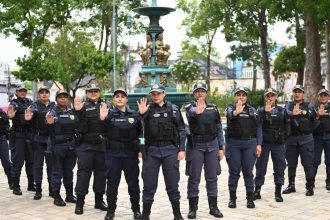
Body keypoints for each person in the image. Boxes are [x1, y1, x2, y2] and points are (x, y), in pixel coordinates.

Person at [137, 84, 186, 220]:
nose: (156, 96)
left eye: (158, 93)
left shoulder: (173, 109)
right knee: (149, 184)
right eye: (153, 94)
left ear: (164, 94)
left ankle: (177, 215)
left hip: (170, 150)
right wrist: (141, 115)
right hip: (152, 151)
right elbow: (138, 130)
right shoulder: (146, 109)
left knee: (172, 184)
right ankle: (145, 215)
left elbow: (182, 130)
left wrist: (182, 149)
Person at [101, 88, 143, 220]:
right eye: (117, 96)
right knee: (112, 184)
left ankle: (136, 210)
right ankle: (111, 210)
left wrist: (141, 149)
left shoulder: (135, 115)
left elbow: (141, 133)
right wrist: (102, 119)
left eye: (122, 96)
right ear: (114, 99)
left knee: (133, 184)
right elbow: (102, 132)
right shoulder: (108, 115)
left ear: (126, 99)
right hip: (113, 154)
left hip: (130, 154)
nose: (120, 98)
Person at [185, 82, 224, 219]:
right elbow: (189, 116)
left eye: (202, 91)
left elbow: (219, 127)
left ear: (206, 93)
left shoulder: (213, 107)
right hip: (196, 146)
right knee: (194, 177)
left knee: (212, 177)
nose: (200, 93)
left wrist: (221, 147)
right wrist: (197, 112)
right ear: (194, 94)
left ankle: (213, 207)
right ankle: (192, 208)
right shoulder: (189, 107)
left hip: (212, 145)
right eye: (197, 91)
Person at [73, 83, 108, 214]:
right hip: (85, 145)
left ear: (99, 92)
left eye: (96, 91)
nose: (93, 93)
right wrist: (77, 110)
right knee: (83, 174)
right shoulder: (81, 106)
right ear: (87, 93)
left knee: (101, 174)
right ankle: (80, 202)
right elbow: (75, 119)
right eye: (91, 91)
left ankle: (99, 201)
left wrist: (104, 118)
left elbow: (110, 124)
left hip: (101, 146)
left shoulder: (106, 105)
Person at [225, 86, 262, 209]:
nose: (241, 97)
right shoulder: (230, 107)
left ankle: (250, 199)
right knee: (234, 172)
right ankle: (232, 199)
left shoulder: (252, 110)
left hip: (249, 144)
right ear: (235, 97)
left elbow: (258, 128)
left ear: (246, 97)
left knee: (248, 172)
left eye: (243, 95)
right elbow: (230, 115)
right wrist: (237, 112)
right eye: (238, 94)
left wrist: (259, 144)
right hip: (234, 144)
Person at [253, 88, 287, 202]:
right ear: (265, 97)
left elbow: (287, 126)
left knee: (280, 166)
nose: (270, 98)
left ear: (276, 97)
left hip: (278, 144)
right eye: (268, 96)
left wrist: (284, 139)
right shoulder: (260, 110)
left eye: (272, 95)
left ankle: (278, 192)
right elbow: (256, 125)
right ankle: (257, 191)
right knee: (260, 167)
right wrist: (264, 112)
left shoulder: (282, 110)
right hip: (264, 144)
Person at [283, 85, 316, 196]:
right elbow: (283, 117)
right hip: (291, 139)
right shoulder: (288, 105)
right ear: (293, 93)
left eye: (299, 92)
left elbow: (315, 121)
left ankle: (309, 187)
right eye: (295, 92)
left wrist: (308, 131)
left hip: (306, 139)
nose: (297, 94)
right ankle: (291, 185)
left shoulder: (309, 106)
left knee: (308, 164)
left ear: (303, 94)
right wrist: (293, 114)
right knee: (291, 164)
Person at [46, 90, 77, 206]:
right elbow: (48, 120)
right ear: (56, 99)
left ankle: (69, 195)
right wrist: (49, 122)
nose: (63, 99)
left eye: (65, 97)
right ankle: (56, 196)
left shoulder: (72, 112)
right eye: (60, 97)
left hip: (71, 146)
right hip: (57, 147)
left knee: (69, 172)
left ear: (68, 99)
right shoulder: (52, 112)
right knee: (57, 172)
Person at [25, 86, 55, 200]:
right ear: (39, 95)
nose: (44, 94)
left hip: (50, 140)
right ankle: (38, 189)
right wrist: (28, 115)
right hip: (38, 139)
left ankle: (52, 190)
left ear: (49, 94)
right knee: (38, 165)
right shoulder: (34, 105)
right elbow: (30, 113)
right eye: (41, 93)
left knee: (51, 166)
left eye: (46, 92)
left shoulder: (53, 105)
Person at [7, 85, 35, 195]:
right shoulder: (14, 103)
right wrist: (10, 115)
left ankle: (31, 184)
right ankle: (16, 186)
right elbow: (10, 113)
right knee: (17, 162)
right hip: (18, 135)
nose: (22, 92)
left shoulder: (30, 102)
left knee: (31, 161)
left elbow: (34, 111)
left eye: (24, 91)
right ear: (16, 93)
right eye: (20, 91)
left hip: (30, 135)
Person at [313, 88, 330, 190]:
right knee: (314, 160)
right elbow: (310, 124)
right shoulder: (313, 108)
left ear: (328, 97)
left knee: (329, 160)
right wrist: (318, 116)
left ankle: (328, 181)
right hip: (317, 137)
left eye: (325, 95)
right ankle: (311, 181)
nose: (323, 97)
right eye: (321, 95)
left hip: (329, 137)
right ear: (318, 97)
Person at [0, 107, 12, 189]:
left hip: (1, 139)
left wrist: (7, 135)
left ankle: (11, 182)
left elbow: (6, 124)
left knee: (6, 162)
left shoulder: (1, 113)